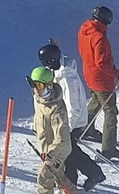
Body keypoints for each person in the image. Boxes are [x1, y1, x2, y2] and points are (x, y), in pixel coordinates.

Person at [39, 42, 104, 190]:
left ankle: (94, 172)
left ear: (52, 61)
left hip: (73, 121)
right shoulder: (59, 71)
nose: (46, 68)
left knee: (68, 151)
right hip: (65, 119)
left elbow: (73, 108)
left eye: (46, 64)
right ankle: (71, 184)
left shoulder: (67, 79)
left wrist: (66, 128)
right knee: (67, 154)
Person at [77, 6, 119, 161]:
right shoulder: (100, 37)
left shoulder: (84, 29)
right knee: (111, 112)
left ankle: (84, 129)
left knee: (95, 102)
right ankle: (108, 149)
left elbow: (83, 52)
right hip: (102, 79)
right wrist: (118, 74)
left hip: (89, 73)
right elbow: (102, 63)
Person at [29, 66, 73, 194]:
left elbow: (62, 138)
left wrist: (52, 154)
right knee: (59, 178)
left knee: (44, 178)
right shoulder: (39, 99)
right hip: (46, 147)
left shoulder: (56, 109)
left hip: (58, 149)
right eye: (33, 85)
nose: (36, 90)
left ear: (49, 85)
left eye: (40, 86)